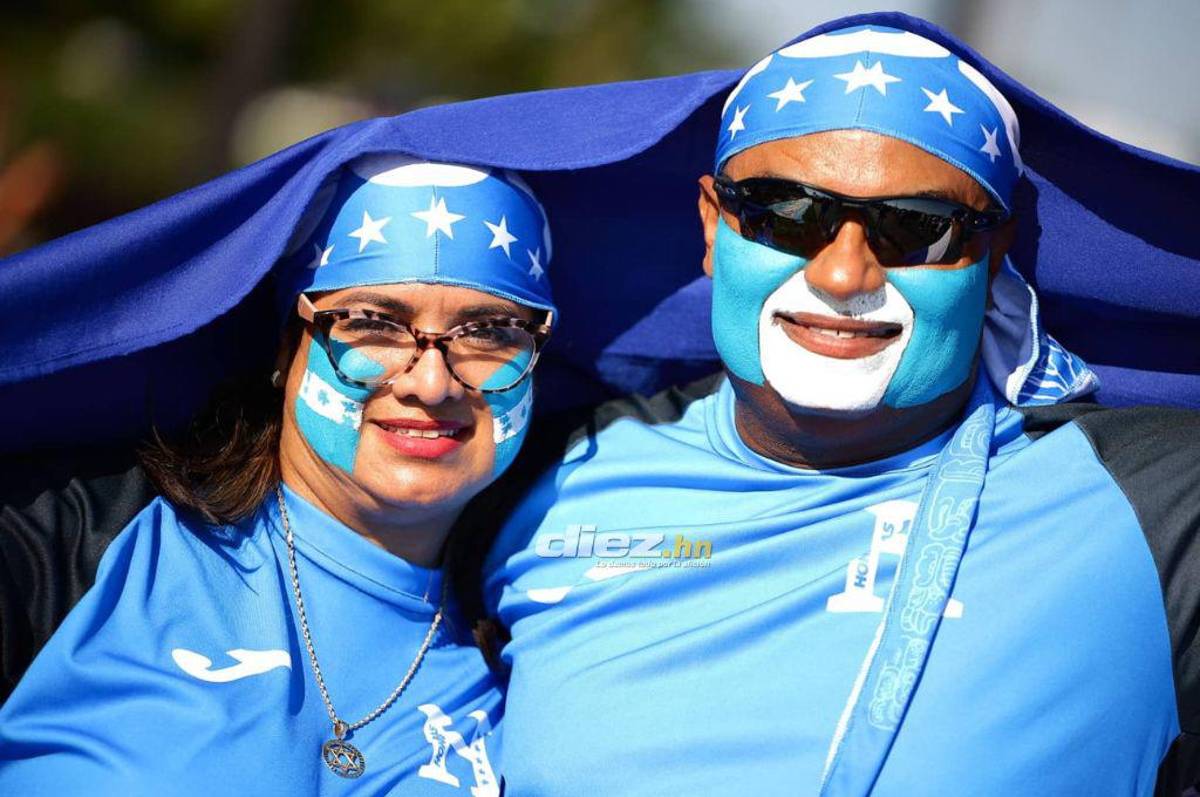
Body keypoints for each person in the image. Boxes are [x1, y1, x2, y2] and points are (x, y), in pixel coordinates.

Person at [481, 17, 1200, 797]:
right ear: (714, 227)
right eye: (786, 212)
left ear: (992, 255)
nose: (844, 273)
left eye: (916, 228)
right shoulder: (531, 474)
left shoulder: (1158, 502)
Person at [0, 154, 554, 795]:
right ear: (287, 346)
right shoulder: (67, 546)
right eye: (372, 324)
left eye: (489, 332)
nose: (431, 385)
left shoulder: (543, 636)